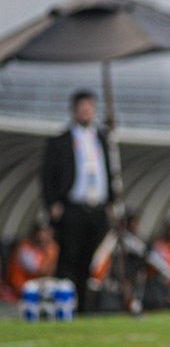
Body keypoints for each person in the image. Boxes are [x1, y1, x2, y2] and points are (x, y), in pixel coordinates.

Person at [42, 89, 114, 312]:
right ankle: (63, 306)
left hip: (97, 208)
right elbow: (47, 175)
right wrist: (52, 202)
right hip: (73, 207)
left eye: (90, 107)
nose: (86, 112)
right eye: (82, 108)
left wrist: (111, 200)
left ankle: (82, 307)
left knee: (88, 260)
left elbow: (110, 171)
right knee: (68, 259)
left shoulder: (102, 138)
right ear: (74, 111)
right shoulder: (61, 141)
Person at [7, 220, 59, 299]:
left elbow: (50, 273)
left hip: (36, 285)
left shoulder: (45, 249)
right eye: (44, 232)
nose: (46, 236)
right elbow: (40, 271)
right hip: (21, 286)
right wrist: (51, 254)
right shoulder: (24, 247)